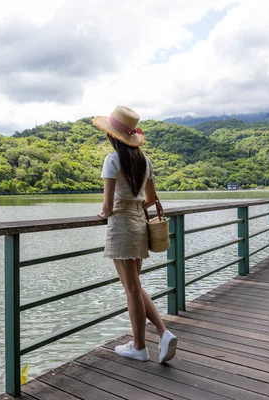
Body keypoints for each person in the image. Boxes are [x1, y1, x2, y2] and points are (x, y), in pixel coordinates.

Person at [93, 105, 177, 363]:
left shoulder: (113, 160)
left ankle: (140, 347)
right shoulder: (144, 160)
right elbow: (150, 199)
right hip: (139, 222)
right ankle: (162, 333)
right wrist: (135, 206)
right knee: (135, 286)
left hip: (121, 226)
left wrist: (104, 212)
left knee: (131, 289)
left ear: (111, 135)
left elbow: (107, 206)